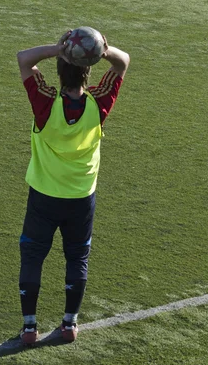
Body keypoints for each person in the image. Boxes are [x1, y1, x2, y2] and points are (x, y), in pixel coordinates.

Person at [16, 30, 130, 345]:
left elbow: (24, 59)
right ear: (88, 70)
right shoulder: (98, 104)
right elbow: (124, 63)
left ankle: (29, 328)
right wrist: (101, 50)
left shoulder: (45, 103)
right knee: (77, 257)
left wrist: (58, 48)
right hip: (81, 198)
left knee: (33, 256)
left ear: (61, 68)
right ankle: (69, 324)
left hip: (43, 196)